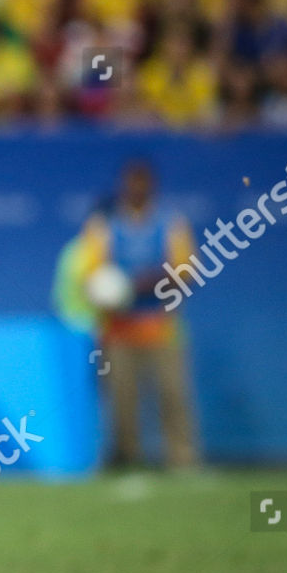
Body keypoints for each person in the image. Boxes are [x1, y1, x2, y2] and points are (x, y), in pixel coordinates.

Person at [77, 160, 200, 469]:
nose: (135, 189)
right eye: (130, 183)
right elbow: (92, 275)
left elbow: (186, 269)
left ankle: (182, 457)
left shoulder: (170, 223)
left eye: (141, 182)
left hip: (160, 325)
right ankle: (128, 459)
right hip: (118, 329)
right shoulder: (104, 226)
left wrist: (150, 281)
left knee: (173, 395)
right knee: (122, 401)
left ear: (152, 186)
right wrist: (112, 291)